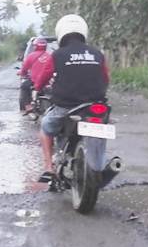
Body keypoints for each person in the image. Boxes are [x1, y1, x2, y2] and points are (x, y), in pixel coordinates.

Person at [32, 14, 109, 182]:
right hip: (95, 105)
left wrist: (37, 88)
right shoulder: (97, 54)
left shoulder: (57, 55)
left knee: (46, 127)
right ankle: (102, 163)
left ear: (62, 33)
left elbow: (43, 78)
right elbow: (105, 78)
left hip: (66, 106)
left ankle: (49, 168)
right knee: (103, 128)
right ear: (83, 32)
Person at [17, 39, 50, 113]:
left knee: (24, 86)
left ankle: (28, 105)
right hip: (47, 81)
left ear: (35, 46)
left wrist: (22, 74)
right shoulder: (49, 56)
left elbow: (24, 69)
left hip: (34, 81)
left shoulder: (31, 56)